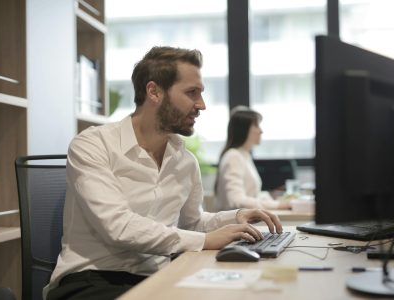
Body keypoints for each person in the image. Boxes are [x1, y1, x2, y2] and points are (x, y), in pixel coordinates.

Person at [45, 47, 282, 300]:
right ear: (154, 91)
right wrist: (205, 241)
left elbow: (192, 223)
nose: (201, 105)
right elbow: (118, 227)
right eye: (192, 93)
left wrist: (235, 217)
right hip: (92, 280)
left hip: (157, 277)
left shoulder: (184, 162)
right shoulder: (93, 145)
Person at [215, 106, 291, 211]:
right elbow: (236, 200)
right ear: (244, 129)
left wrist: (277, 202)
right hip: (235, 223)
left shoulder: (244, 155)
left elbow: (254, 195)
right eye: (256, 125)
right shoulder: (233, 156)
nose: (261, 131)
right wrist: (278, 205)